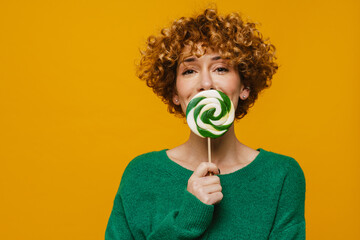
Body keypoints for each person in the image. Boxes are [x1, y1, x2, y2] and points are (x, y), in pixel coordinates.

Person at [105, 7, 306, 240]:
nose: (206, 83)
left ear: (244, 87)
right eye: (189, 70)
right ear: (175, 93)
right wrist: (188, 219)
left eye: (221, 68)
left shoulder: (281, 176)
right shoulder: (141, 174)